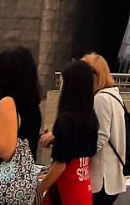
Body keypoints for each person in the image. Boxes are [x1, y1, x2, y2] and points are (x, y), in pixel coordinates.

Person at [0, 46, 42, 205]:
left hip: (3, 183)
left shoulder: (8, 103)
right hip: (25, 185)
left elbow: (6, 151)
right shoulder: (33, 105)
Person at [37, 60, 98, 205]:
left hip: (65, 192)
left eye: (63, 81)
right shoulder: (91, 116)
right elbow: (81, 149)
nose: (61, 85)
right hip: (82, 189)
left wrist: (38, 190)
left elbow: (60, 165)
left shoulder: (65, 119)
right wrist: (56, 140)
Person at [82, 53, 128, 205]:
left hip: (101, 179)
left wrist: (79, 155)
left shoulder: (100, 99)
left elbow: (100, 136)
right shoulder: (114, 96)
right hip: (111, 177)